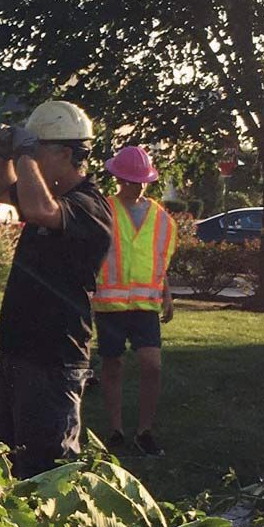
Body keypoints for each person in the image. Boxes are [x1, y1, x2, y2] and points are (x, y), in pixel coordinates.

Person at [0, 100, 113, 477]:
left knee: (47, 474)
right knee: (5, 464)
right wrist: (3, 153)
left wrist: (23, 155)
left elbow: (42, 210)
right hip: (19, 350)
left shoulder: (88, 205)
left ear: (64, 153)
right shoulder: (43, 194)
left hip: (54, 359)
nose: (32, 160)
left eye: (38, 150)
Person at [93, 144, 176, 457]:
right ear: (119, 179)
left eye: (141, 180)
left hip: (145, 306)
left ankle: (145, 431)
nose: (136, 185)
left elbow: (158, 260)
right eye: (130, 180)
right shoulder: (104, 210)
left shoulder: (160, 218)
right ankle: (116, 430)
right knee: (112, 365)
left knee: (151, 366)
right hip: (110, 305)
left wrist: (167, 293)